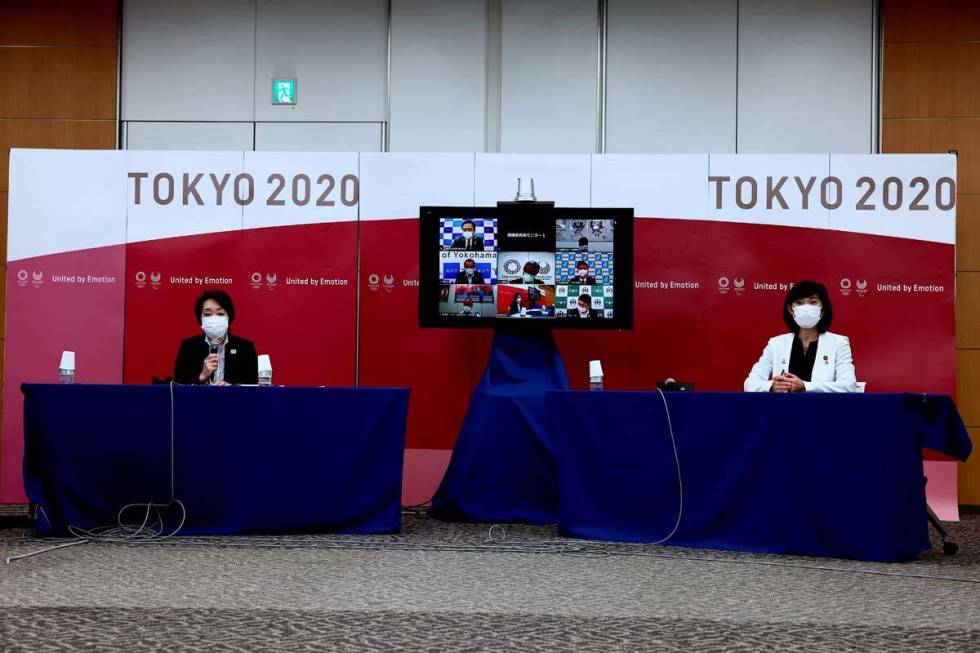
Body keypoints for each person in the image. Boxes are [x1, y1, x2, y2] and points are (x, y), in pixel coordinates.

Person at [744, 280, 858, 392]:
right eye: (799, 302)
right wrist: (772, 386)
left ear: (823, 310)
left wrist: (805, 386)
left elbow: (849, 385)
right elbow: (750, 384)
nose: (806, 307)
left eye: (813, 302)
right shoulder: (776, 343)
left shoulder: (839, 343)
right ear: (790, 309)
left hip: (822, 410)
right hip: (783, 409)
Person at [174, 290, 258, 385]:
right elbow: (177, 388)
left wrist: (233, 390)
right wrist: (201, 377)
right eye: (208, 314)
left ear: (228, 317)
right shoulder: (188, 347)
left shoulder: (246, 349)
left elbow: (254, 389)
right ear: (200, 319)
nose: (214, 319)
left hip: (232, 400)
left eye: (220, 314)